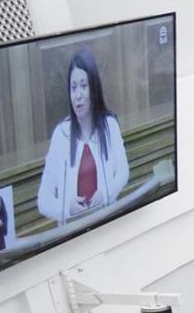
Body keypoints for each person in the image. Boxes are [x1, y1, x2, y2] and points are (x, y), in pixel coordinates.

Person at [37, 47, 129, 226]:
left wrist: (107, 192)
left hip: (106, 227)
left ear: (94, 88)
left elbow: (123, 172)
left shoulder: (110, 126)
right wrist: (66, 209)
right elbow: (43, 199)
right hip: (73, 238)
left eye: (83, 86)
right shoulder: (61, 135)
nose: (77, 95)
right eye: (73, 88)